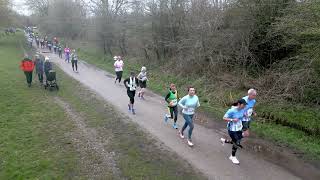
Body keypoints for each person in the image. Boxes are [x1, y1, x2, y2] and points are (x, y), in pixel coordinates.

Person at [221, 99, 247, 165]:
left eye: (245, 105)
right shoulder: (232, 110)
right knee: (236, 141)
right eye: (243, 105)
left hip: (238, 128)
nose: (244, 106)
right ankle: (232, 156)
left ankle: (225, 141)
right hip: (232, 129)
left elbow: (241, 116)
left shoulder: (242, 109)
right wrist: (232, 119)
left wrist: (245, 115)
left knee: (236, 140)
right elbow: (224, 118)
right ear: (239, 104)